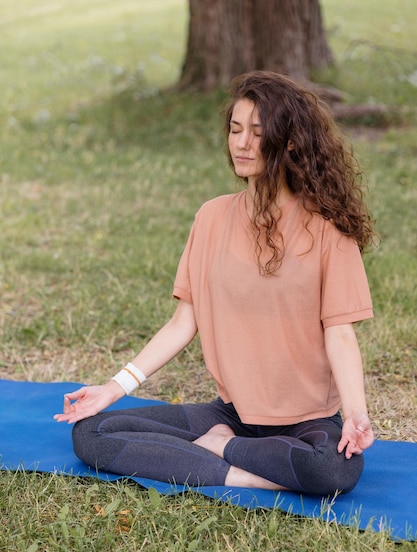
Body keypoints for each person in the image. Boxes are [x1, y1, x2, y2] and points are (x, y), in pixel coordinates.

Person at [54, 71, 376, 496]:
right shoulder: (211, 217)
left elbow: (340, 334)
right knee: (92, 432)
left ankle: (218, 450)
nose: (241, 143)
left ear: (291, 142)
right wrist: (113, 388)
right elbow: (182, 324)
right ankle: (239, 463)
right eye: (235, 129)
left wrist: (355, 413)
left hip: (306, 423)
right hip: (232, 413)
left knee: (333, 472)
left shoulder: (329, 231)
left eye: (258, 133)